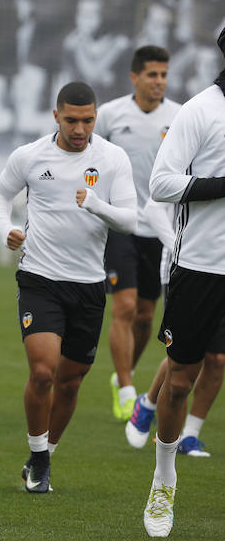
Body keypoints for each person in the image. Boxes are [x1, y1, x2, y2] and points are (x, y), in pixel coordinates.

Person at [0, 81, 137, 494]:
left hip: (89, 284)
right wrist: (7, 230)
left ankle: (45, 454)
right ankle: (38, 456)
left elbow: (129, 219)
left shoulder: (111, 158)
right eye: (71, 120)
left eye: (88, 120)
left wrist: (94, 203)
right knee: (42, 371)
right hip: (39, 278)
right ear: (56, 116)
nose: (80, 128)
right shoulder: (31, 156)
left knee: (71, 381)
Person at [141, 27, 225, 538]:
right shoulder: (201, 110)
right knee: (179, 380)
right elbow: (161, 184)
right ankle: (163, 480)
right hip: (201, 266)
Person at [95, 46, 182, 421]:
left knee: (146, 316)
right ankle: (129, 388)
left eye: (164, 75)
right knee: (126, 306)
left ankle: (121, 375)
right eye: (152, 75)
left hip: (159, 227)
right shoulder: (112, 115)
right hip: (120, 223)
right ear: (134, 77)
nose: (159, 82)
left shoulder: (180, 117)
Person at [125, 199, 225, 457]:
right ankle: (147, 404)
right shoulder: (189, 162)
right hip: (185, 272)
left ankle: (190, 435)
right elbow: (153, 208)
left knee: (217, 358)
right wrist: (179, 248)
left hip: (220, 273)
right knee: (186, 357)